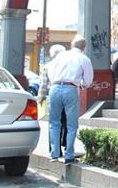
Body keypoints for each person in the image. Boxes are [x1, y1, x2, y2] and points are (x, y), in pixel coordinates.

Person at [47, 35, 94, 164]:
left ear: (72, 45)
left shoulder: (61, 56)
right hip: (71, 88)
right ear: (84, 47)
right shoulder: (84, 59)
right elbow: (88, 79)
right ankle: (69, 155)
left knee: (54, 122)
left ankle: (54, 153)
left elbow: (50, 70)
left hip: (55, 87)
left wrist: (55, 81)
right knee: (71, 124)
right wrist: (82, 85)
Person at [37, 44, 67, 158]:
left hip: (53, 95)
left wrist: (40, 99)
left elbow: (43, 86)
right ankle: (65, 144)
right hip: (67, 95)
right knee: (66, 121)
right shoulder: (67, 66)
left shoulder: (48, 66)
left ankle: (54, 149)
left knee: (54, 123)